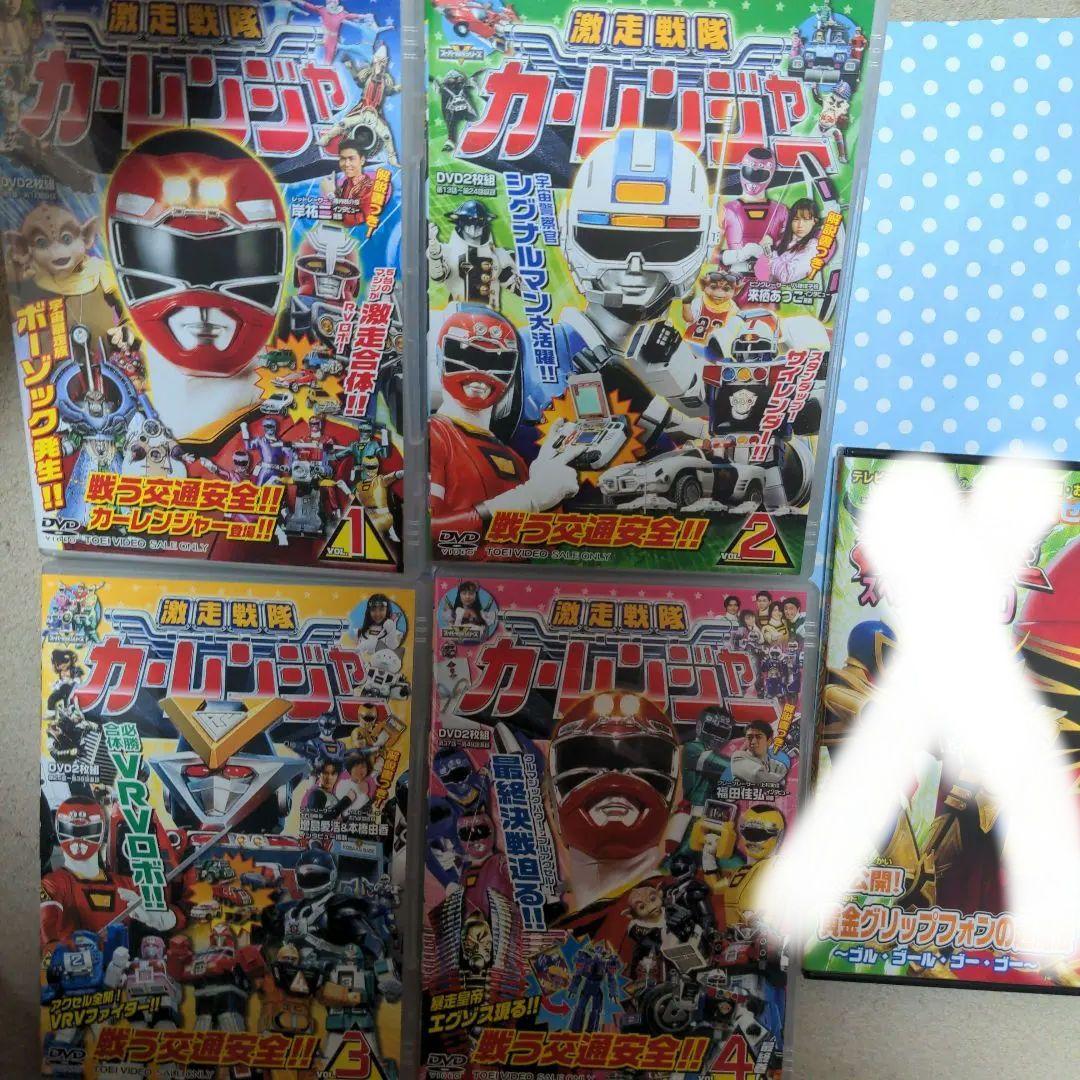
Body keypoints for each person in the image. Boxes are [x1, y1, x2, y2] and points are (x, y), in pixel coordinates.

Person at [754, 197, 823, 285]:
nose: (800, 225)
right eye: (796, 219)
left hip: (784, 291)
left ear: (814, 221)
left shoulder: (813, 246)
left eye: (806, 220)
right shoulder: (785, 239)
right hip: (761, 286)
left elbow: (786, 276)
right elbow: (760, 271)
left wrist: (769, 252)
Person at [724, 719, 790, 786]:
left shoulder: (778, 766)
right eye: (749, 737)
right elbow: (756, 775)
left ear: (769, 741)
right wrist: (779, 780)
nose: (753, 742)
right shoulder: (738, 757)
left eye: (758, 737)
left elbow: (784, 782)